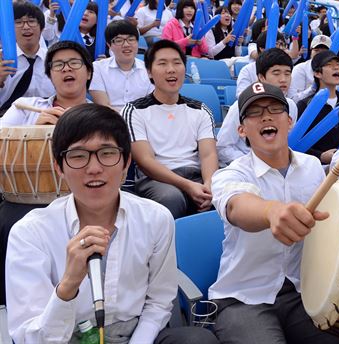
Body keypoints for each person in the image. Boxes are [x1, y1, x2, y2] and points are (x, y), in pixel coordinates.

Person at [5, 103, 218, 343]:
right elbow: (28, 336)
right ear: (59, 167)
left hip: (134, 334)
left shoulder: (156, 218)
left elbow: (158, 302)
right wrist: (68, 286)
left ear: (126, 162)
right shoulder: (30, 233)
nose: (94, 168)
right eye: (78, 156)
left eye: (107, 153)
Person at [209, 82, 339, 344]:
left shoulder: (313, 166)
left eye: (275, 109)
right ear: (241, 130)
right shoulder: (230, 173)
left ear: (290, 121)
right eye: (255, 112)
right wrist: (271, 210)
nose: (267, 116)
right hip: (243, 298)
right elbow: (237, 205)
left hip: (301, 291)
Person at [122, 40, 218, 219]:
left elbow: (208, 155)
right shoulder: (134, 110)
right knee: (171, 198)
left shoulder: (200, 109)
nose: (171, 69)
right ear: (149, 72)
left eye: (176, 63)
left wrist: (210, 186)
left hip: (195, 174)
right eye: (162, 63)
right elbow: (144, 160)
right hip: (156, 178)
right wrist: (188, 186)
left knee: (225, 195)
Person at [217, 48, 298, 165]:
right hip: (247, 165)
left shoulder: (291, 105)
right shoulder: (241, 106)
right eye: (276, 73)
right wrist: (254, 162)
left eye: (287, 73)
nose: (283, 79)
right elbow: (222, 147)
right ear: (261, 77)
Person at [1, 41, 93, 128]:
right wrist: (35, 132)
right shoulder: (23, 108)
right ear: (50, 76)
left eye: (74, 63)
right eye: (58, 65)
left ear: (88, 73)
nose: (66, 68)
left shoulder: (102, 116)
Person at [0, 1, 55, 115]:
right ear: (9, 28)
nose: (26, 27)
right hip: (7, 118)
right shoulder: (2, 59)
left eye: (31, 21)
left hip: (49, 117)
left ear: (41, 27)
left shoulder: (54, 59)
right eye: (18, 22)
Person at [89, 20, 154, 112]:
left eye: (131, 39)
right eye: (119, 40)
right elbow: (103, 105)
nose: (126, 45)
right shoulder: (98, 68)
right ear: (109, 45)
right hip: (108, 120)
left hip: (142, 121)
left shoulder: (149, 69)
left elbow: (150, 105)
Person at [296, 50, 339, 164]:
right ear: (317, 73)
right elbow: (295, 144)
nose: (336, 68)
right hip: (315, 168)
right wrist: (321, 156)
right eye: (329, 65)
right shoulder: (305, 105)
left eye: (338, 65)